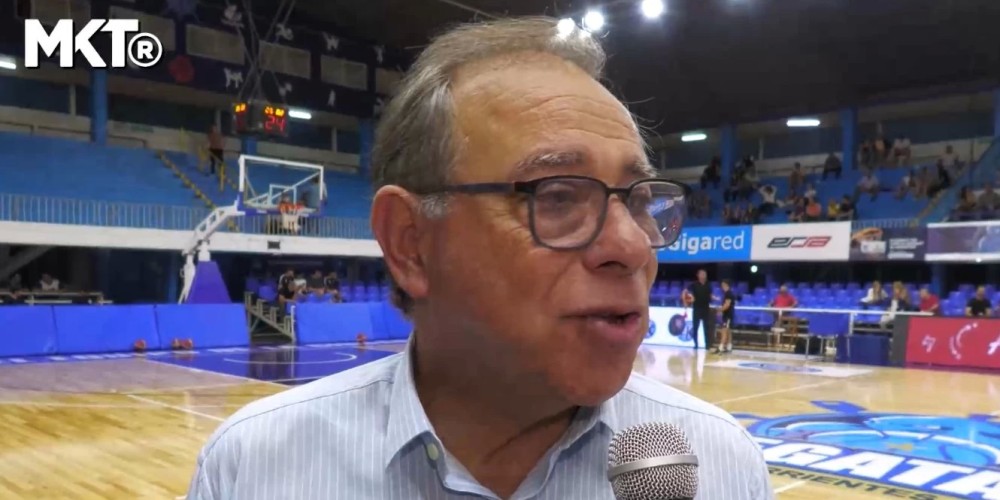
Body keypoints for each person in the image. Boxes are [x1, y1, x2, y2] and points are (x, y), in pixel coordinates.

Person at [187, 17, 772, 500]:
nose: (633, 245)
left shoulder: (723, 463)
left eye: (640, 200)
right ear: (411, 243)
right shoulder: (253, 468)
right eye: (558, 196)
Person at [682, 269, 717, 351]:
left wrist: (715, 298)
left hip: (706, 308)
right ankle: (696, 344)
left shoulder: (708, 284)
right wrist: (685, 302)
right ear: (698, 275)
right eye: (702, 274)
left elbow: (710, 295)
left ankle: (707, 345)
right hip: (697, 309)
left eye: (705, 274)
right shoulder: (694, 284)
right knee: (695, 327)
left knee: (706, 327)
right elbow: (684, 292)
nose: (704, 275)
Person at [716, 279, 736, 354]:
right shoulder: (728, 293)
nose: (722, 287)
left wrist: (720, 310)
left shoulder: (728, 294)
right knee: (728, 331)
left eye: (723, 285)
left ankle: (721, 348)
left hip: (728, 315)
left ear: (726, 285)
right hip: (728, 315)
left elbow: (727, 305)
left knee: (724, 331)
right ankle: (729, 347)